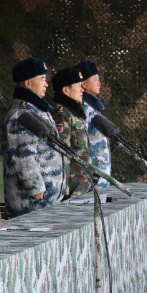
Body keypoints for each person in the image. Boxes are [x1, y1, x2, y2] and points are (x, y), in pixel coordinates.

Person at [4, 57, 66, 217]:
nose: (46, 84)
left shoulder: (36, 108)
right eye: (42, 79)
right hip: (31, 203)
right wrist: (35, 187)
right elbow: (23, 153)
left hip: (45, 200)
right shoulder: (22, 113)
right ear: (28, 82)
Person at [51, 67, 91, 198]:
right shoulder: (62, 115)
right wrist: (65, 191)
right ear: (66, 90)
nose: (82, 89)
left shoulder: (74, 113)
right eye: (78, 85)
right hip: (72, 190)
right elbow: (63, 154)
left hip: (81, 186)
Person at [76, 60, 111, 189]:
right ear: (84, 83)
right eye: (95, 79)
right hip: (91, 179)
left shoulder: (93, 108)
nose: (99, 83)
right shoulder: (83, 109)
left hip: (100, 176)